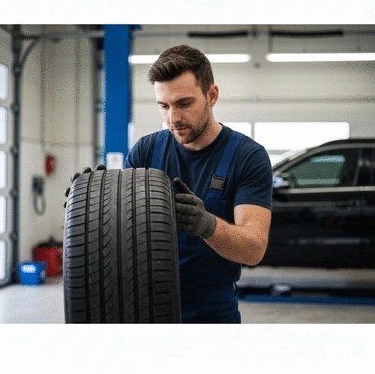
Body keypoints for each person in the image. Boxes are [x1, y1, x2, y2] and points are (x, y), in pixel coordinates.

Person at [66, 45, 273, 323]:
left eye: (184, 104)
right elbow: (121, 234)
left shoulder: (248, 157)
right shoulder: (146, 151)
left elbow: (253, 249)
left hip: (211, 308)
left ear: (211, 95)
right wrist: (90, 204)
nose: (173, 118)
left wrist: (206, 225)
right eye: (164, 106)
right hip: (143, 300)